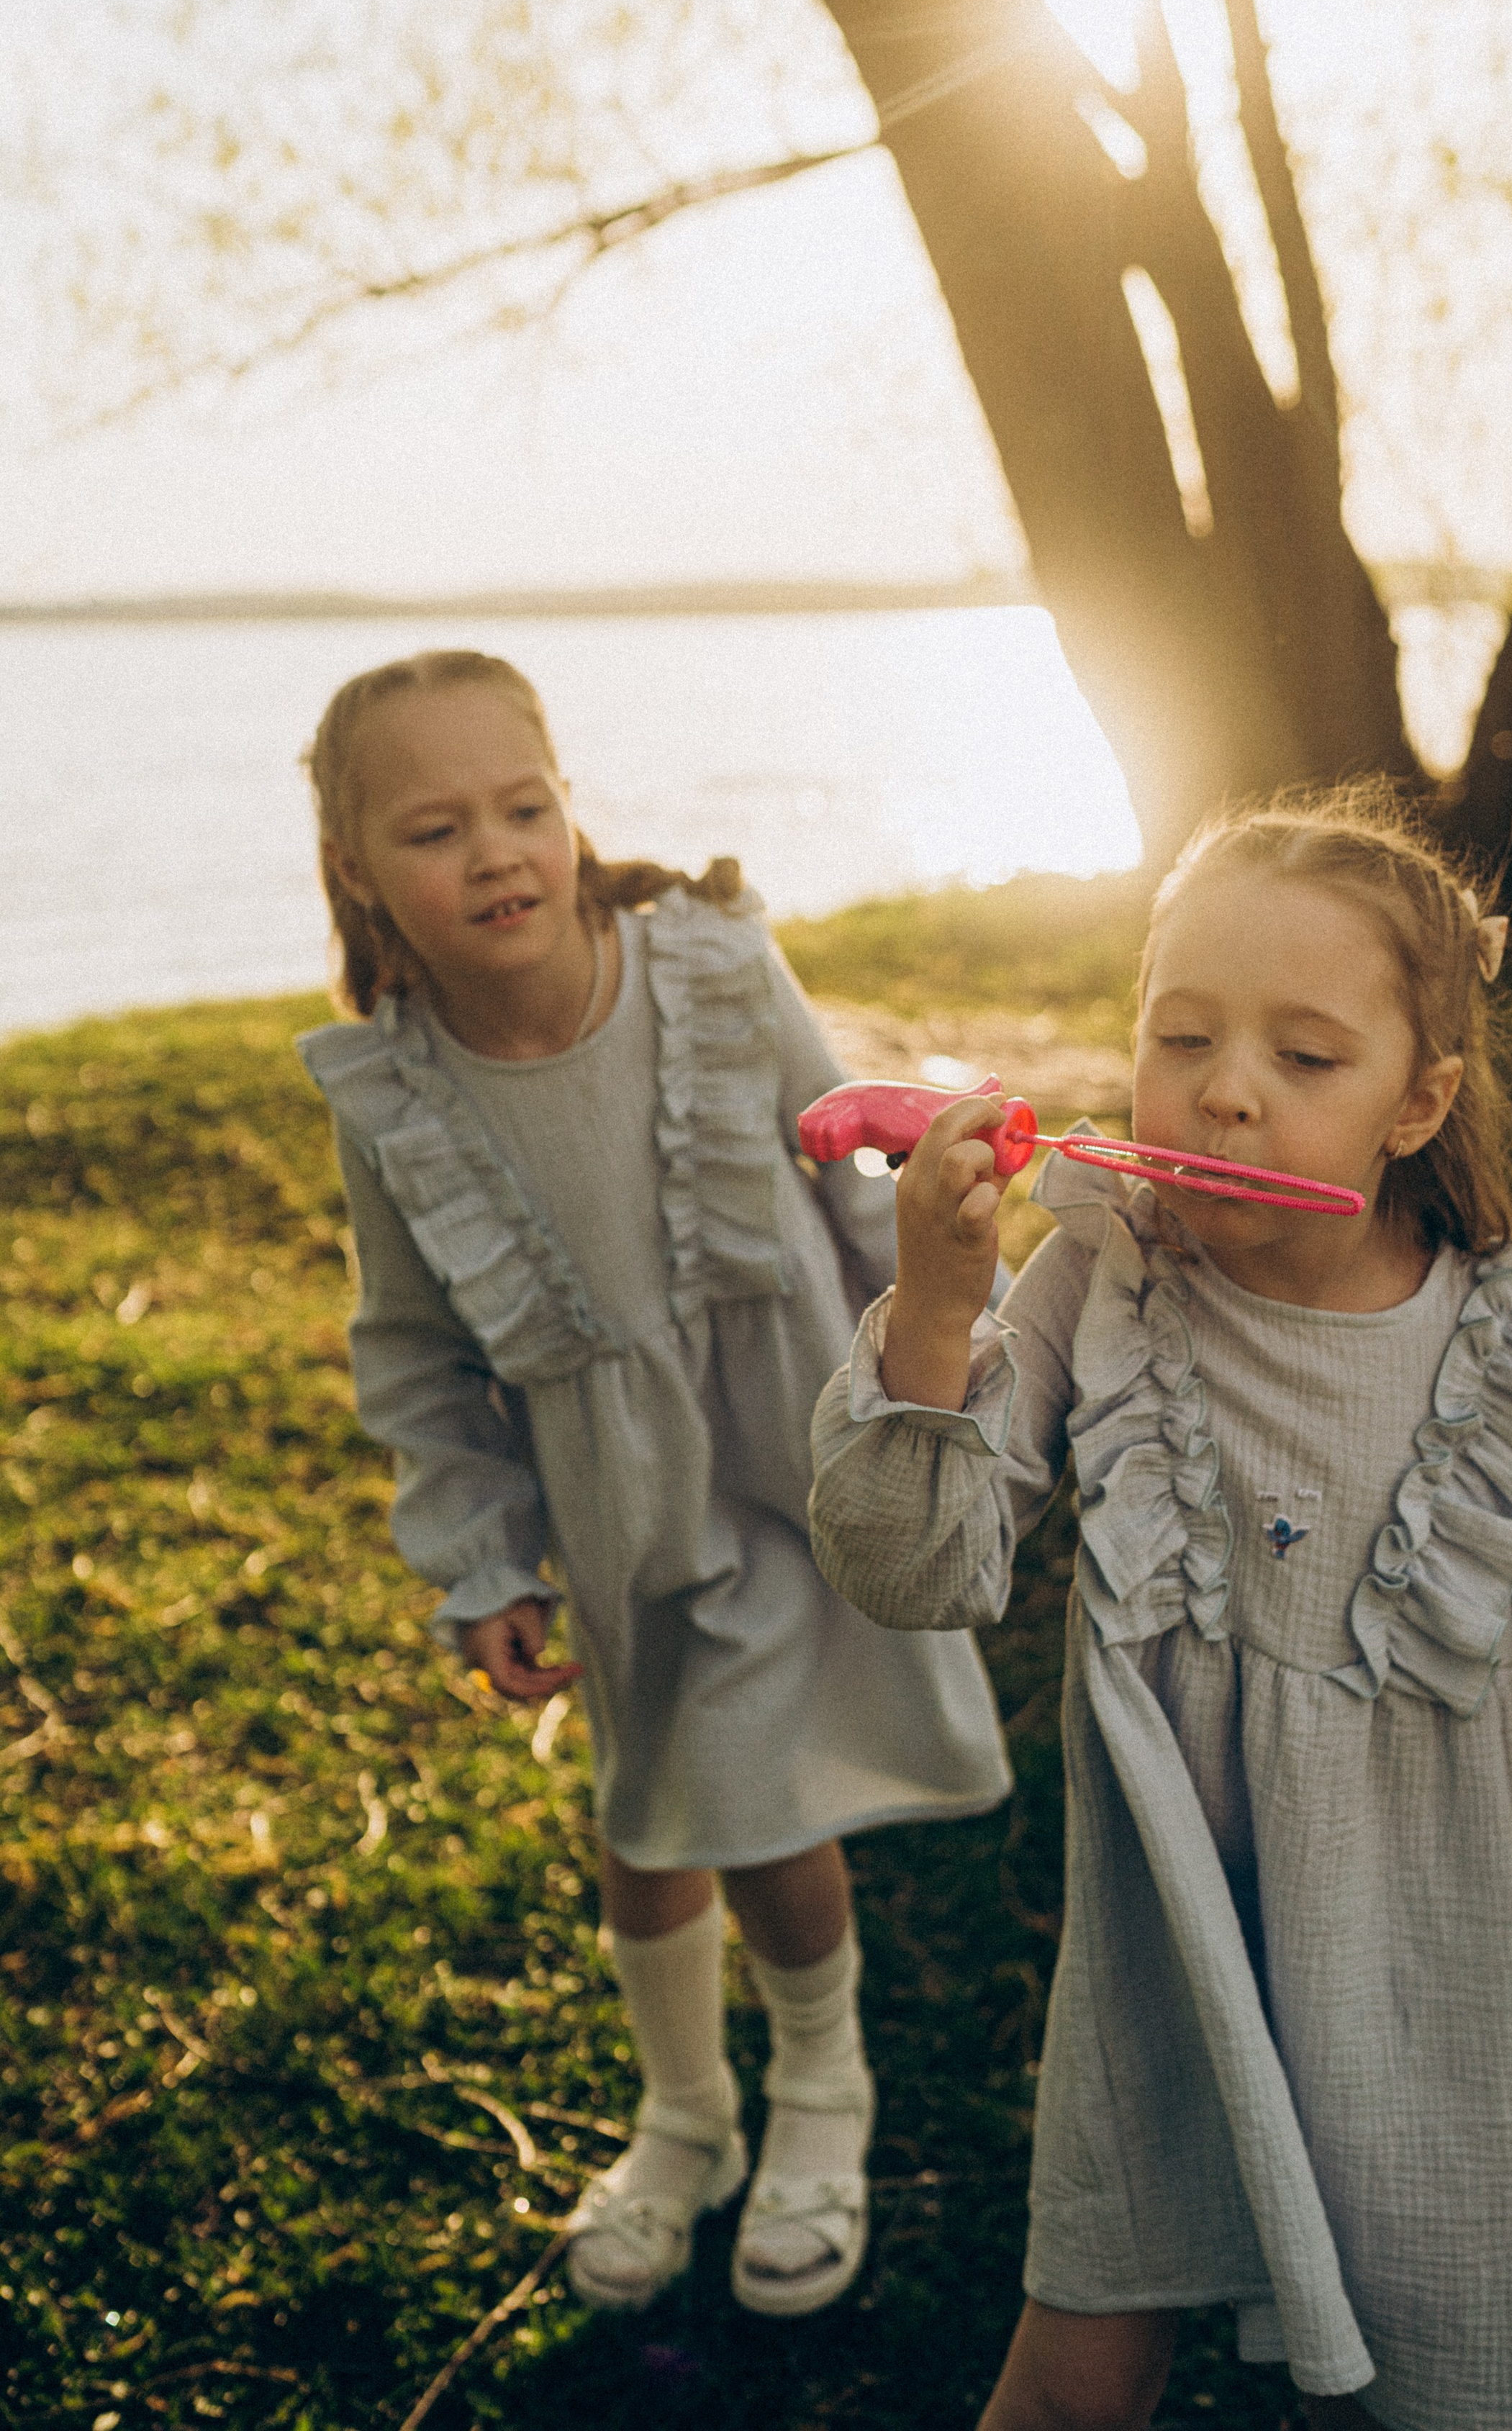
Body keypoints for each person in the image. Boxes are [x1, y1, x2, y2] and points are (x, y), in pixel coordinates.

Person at [806, 786, 1512, 2431]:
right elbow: (913, 1566)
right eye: (1180, 1035)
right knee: (1077, 2367)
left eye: (1303, 1059)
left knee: (1502, 2383)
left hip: (1436, 1956)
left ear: (1415, 1100)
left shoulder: (1486, 1353)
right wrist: (939, 1311)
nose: (1220, 1092)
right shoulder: (1099, 1278)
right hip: (1175, 1937)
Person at [296, 649, 1010, 2322]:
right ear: (358, 873)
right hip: (614, 1511)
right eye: (435, 829)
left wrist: (918, 1384)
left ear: (567, 809)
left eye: (523, 808)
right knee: (645, 1814)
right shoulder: (395, 1088)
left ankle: (820, 2094)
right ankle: (683, 2113)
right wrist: (480, 1561)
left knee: (753, 1804)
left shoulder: (704, 967)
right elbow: (410, 1352)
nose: (495, 854)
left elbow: (850, 1175)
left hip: (786, 1454)